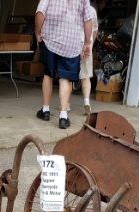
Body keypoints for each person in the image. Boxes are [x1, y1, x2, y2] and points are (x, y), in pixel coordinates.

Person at [35, 0, 92, 129]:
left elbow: (40, 12)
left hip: (50, 39)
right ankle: (63, 117)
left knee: (48, 74)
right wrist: (87, 42)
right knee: (66, 78)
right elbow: (88, 20)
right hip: (71, 43)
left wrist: (37, 32)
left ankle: (45, 110)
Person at [79, 3, 98, 116]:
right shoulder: (92, 10)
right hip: (87, 46)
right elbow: (94, 31)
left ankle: (66, 105)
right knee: (85, 76)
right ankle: (87, 102)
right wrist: (90, 45)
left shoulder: (73, 8)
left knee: (68, 77)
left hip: (73, 46)